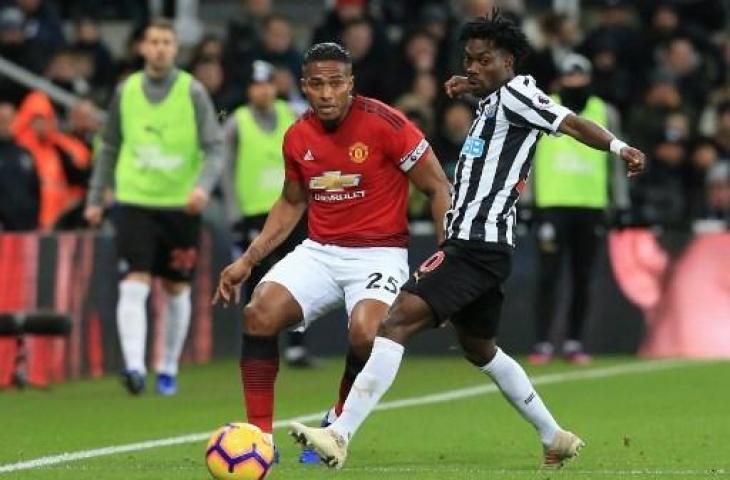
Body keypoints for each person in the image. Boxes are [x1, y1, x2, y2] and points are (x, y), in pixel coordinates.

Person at [289, 12, 645, 470]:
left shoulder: (519, 93)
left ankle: (338, 434)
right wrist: (471, 84)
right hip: (480, 247)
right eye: (468, 60)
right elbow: (500, 103)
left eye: (483, 60)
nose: (473, 67)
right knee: (480, 348)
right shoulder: (498, 97)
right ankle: (553, 435)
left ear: (508, 60)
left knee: (393, 323)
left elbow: (571, 123)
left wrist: (620, 148)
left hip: (476, 246)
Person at [213, 42, 451, 461]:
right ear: (304, 86)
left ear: (350, 85)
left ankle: (336, 426)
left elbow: (437, 187)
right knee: (258, 313)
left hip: (380, 253)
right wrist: (248, 260)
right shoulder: (297, 135)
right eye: (317, 85)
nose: (326, 94)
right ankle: (259, 441)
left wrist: (447, 259)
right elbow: (290, 202)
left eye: (335, 84)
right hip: (321, 250)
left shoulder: (387, 124)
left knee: (367, 333)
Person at [84, 19, 224, 396]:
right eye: (154, 42)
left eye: (167, 42)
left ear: (175, 49)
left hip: (181, 205)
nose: (160, 48)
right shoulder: (125, 91)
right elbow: (109, 145)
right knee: (134, 282)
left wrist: (202, 188)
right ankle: (134, 368)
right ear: (143, 48)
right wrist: (97, 197)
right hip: (135, 202)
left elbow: (214, 146)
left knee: (176, 289)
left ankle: (167, 366)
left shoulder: (192, 91)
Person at [528, 54, 629, 365]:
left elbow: (615, 160)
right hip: (552, 204)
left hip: (591, 205)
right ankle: (543, 341)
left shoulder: (604, 111)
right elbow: (528, 156)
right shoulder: (542, 106)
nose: (574, 82)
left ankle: (574, 341)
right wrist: (527, 201)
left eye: (579, 76)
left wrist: (620, 203)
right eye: (569, 77)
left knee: (582, 277)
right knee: (548, 276)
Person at [221, 60, 312, 368]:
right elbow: (226, 169)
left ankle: (297, 347)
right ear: (249, 90)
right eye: (257, 85)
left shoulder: (294, 115)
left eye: (268, 84)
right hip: (254, 212)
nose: (263, 91)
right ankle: (258, 344)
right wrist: (233, 214)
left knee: (300, 278)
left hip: (292, 209)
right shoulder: (237, 121)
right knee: (257, 281)